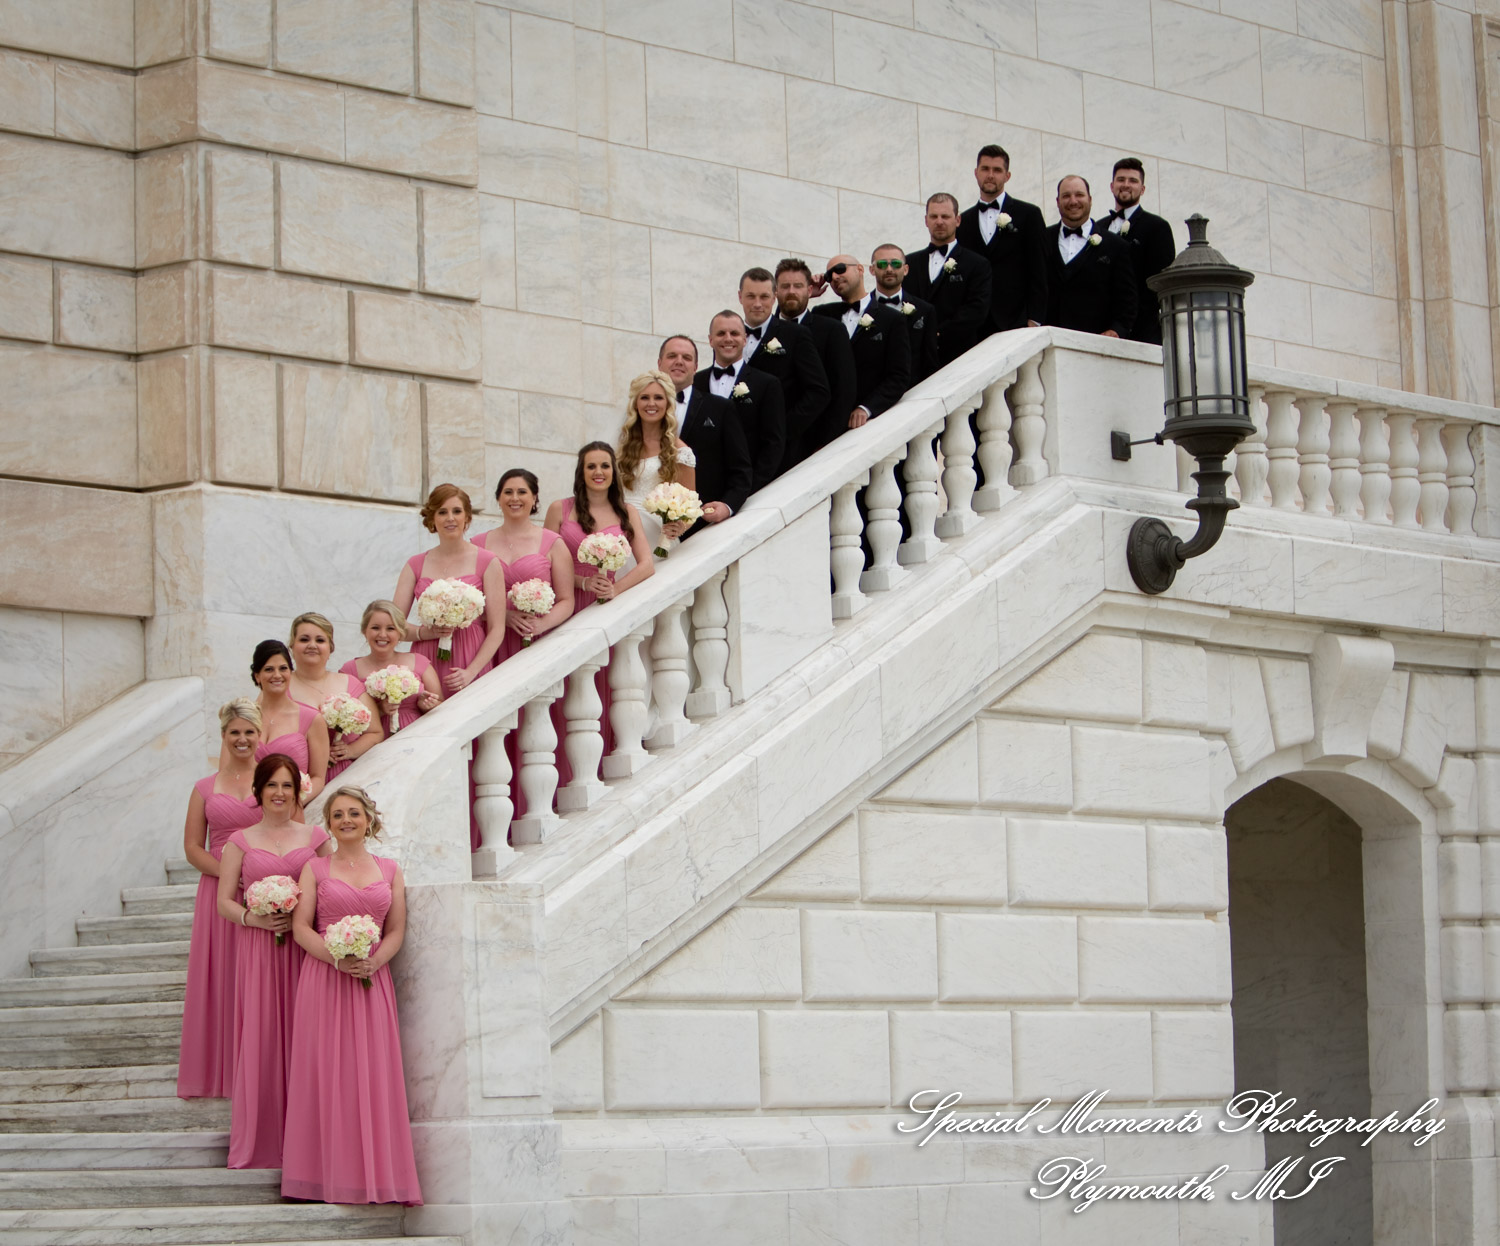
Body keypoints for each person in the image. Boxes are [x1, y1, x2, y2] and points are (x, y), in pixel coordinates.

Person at [281, 786, 422, 1206]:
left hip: (371, 981)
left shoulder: (390, 870)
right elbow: (301, 927)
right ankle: (319, 1177)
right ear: (328, 822)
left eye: (354, 813)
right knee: (324, 1072)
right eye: (338, 814)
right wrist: (336, 960)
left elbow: (396, 929)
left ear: (369, 820)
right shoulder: (315, 869)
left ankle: (374, 1176)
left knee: (372, 1074)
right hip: (325, 978)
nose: (346, 820)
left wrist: (376, 962)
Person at [217, 754, 331, 1169]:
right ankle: (263, 1140)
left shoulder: (317, 837)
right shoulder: (240, 842)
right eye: (272, 786)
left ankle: (308, 1141)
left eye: (287, 785)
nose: (280, 793)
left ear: (298, 790)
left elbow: (330, 888)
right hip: (260, 951)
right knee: (264, 1035)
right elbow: (224, 902)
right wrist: (255, 917)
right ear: (258, 791)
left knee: (310, 1037)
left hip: (307, 952)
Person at [176, 698, 263, 1101]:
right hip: (219, 891)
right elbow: (194, 847)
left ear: (260, 735)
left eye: (249, 731)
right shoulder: (203, 788)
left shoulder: (273, 783)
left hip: (265, 892)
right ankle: (219, 1072)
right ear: (224, 736)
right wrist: (230, 876)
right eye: (235, 732)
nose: (242, 739)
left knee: (258, 979)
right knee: (223, 977)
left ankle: (257, 1067)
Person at [395, 483, 508, 697]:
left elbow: (497, 629)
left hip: (470, 655)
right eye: (442, 512)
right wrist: (424, 633)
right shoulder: (415, 564)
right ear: (432, 519)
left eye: (457, 511)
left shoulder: (487, 561)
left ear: (467, 517)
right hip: (427, 657)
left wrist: (471, 672)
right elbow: (394, 625)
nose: (450, 518)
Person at [657, 334, 752, 531]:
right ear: (659, 363)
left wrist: (727, 507)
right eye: (672, 356)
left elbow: (740, 470)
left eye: (687, 358)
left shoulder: (720, 408)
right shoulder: (641, 410)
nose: (679, 362)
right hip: (649, 524)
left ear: (696, 366)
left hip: (702, 525)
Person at [737, 266, 828, 473]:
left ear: (774, 297)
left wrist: (782, 430)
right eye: (751, 296)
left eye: (764, 296)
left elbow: (818, 391)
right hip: (737, 446)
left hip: (782, 450)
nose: (758, 303)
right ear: (740, 297)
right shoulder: (731, 335)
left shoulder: (796, 334)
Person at [956, 143, 1048, 337]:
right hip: (974, 327)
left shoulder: (1029, 215)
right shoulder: (963, 222)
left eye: (997, 170)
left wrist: (1035, 320)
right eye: (985, 169)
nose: (990, 175)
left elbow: (1039, 269)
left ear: (1007, 176)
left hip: (1016, 322)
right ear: (976, 173)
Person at [811, 254, 911, 433]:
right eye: (829, 275)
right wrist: (806, 293)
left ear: (860, 269)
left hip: (870, 425)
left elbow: (898, 375)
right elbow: (787, 335)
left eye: (840, 269)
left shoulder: (891, 319)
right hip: (825, 424)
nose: (834, 277)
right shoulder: (821, 314)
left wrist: (867, 408)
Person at [693, 310, 787, 490]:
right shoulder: (695, 382)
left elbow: (773, 443)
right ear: (710, 340)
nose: (728, 338)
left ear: (744, 339)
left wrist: (749, 488)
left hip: (747, 488)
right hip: (699, 489)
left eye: (734, 333)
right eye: (721, 333)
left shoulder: (767, 384)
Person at [773, 257, 855, 460]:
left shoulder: (831, 330)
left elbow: (843, 391)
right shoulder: (763, 332)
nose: (791, 291)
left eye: (798, 286)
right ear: (775, 292)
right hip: (770, 446)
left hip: (814, 444)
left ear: (809, 290)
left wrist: (825, 444)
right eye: (785, 286)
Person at [287, 612, 382, 784]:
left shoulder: (349, 684)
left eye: (320, 640)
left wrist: (349, 750)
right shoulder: (280, 688)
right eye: (304, 639)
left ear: (330, 648)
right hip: (298, 779)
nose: (312, 645)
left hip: (346, 777)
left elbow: (376, 732)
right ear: (292, 646)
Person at [903, 193, 992, 367]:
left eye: (945, 216)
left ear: (957, 220)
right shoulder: (909, 263)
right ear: (926, 220)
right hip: (916, 360)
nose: (939, 222)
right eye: (934, 216)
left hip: (959, 356)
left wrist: (937, 333)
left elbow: (977, 309)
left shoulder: (977, 264)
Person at [615, 370, 698, 555]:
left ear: (667, 403)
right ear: (635, 403)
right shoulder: (622, 447)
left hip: (655, 536)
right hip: (619, 534)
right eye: (644, 397)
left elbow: (691, 506)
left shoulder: (681, 452)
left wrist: (679, 527)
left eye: (658, 398)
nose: (651, 404)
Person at [1044, 175, 1137, 338]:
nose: (1073, 201)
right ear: (1058, 202)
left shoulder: (1116, 246)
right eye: (1066, 196)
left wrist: (1116, 330)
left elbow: (1127, 298)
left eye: (1079, 195)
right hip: (1047, 344)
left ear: (1090, 199)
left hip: (1095, 345)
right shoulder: (1041, 239)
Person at [1101, 157, 1176, 344]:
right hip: (1100, 330)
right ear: (1111, 186)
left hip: (1141, 333)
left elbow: (1159, 284)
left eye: (1133, 181)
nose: (1126, 185)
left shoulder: (1156, 227)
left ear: (1142, 189)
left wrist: (1126, 326)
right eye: (1121, 180)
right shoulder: (1099, 228)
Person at [340, 600, 442, 733]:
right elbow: (345, 719)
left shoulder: (420, 662)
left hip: (418, 735)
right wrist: (380, 710)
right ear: (365, 631)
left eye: (390, 628)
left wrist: (426, 706)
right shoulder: (349, 670)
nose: (382, 634)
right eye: (375, 628)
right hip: (375, 741)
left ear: (400, 632)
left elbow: (443, 707)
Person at [250, 640, 329, 808]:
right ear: (257, 676)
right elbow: (228, 771)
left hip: (292, 809)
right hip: (248, 807)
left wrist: (292, 804)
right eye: (269, 669)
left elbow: (318, 778)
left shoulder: (312, 719)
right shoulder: (244, 718)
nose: (277, 675)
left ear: (291, 673)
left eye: (283, 668)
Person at [868, 244, 938, 384]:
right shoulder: (861, 308)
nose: (889, 269)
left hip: (913, 391)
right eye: (882, 264)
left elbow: (930, 361)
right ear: (872, 270)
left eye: (896, 264)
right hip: (870, 394)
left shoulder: (925, 310)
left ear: (905, 269)